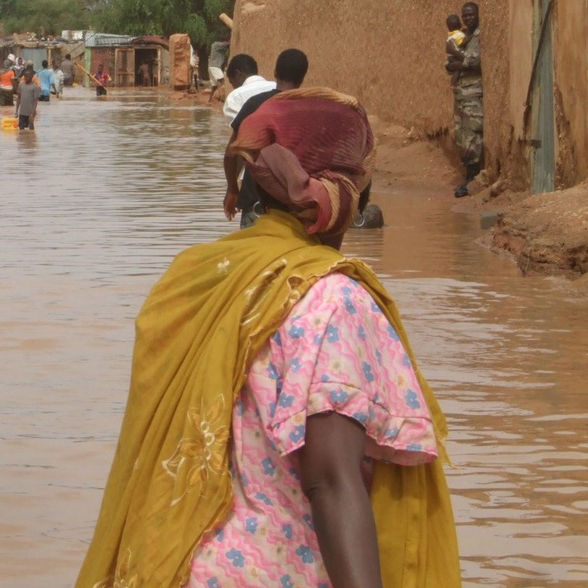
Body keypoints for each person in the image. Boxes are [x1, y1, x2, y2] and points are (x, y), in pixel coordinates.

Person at [78, 88, 460, 588]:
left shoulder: (199, 278)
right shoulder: (331, 299)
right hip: (281, 570)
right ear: (352, 197)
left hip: (186, 565)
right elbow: (332, 480)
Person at [224, 48, 309, 227]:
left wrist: (232, 189)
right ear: (302, 78)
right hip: (297, 207)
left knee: (252, 255)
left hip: (257, 207)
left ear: (275, 73)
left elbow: (233, 152)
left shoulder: (254, 104)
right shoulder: (308, 108)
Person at [446, 1, 483, 197]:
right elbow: (448, 64)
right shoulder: (463, 36)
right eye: (465, 15)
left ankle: (473, 181)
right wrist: (460, 61)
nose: (468, 18)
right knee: (461, 136)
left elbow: (475, 61)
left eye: (471, 14)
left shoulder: (478, 36)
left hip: (472, 93)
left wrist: (458, 59)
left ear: (477, 15)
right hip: (461, 93)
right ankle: (468, 179)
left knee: (472, 135)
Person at [221, 53, 274, 124]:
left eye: (232, 83)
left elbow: (240, 131)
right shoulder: (277, 87)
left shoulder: (235, 97)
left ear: (238, 74)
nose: (234, 88)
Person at [14, 66, 41, 130]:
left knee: (31, 130)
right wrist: (16, 111)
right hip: (22, 112)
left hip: (30, 112)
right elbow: (19, 98)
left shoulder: (35, 87)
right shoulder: (21, 85)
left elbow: (35, 101)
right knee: (21, 130)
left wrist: (32, 113)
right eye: (25, 76)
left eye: (28, 76)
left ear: (32, 76)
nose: (26, 77)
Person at [207, 35, 230, 101]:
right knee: (222, 81)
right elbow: (228, 44)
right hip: (215, 66)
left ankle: (210, 100)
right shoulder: (216, 44)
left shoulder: (217, 46)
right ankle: (224, 98)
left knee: (214, 85)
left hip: (212, 66)